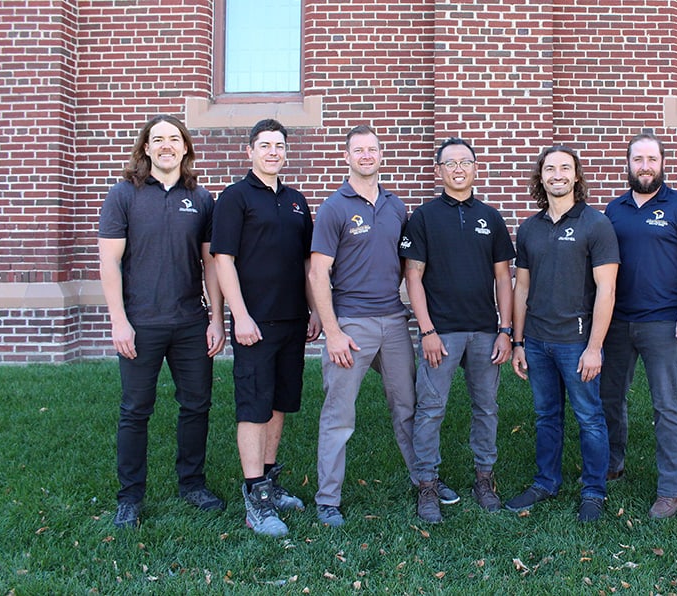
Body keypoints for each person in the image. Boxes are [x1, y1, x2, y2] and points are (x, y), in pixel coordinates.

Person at [309, 125, 460, 529]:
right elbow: (318, 273)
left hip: (394, 321)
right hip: (352, 324)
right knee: (339, 415)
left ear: (381, 155)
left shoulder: (396, 207)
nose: (365, 155)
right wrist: (333, 330)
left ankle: (424, 480)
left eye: (372, 149)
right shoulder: (333, 208)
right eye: (357, 150)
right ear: (347, 157)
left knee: (408, 406)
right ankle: (328, 500)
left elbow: (410, 267)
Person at [99, 114, 227, 529]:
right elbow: (109, 262)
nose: (167, 145)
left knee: (196, 405)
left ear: (186, 147)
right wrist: (119, 321)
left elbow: (211, 264)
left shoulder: (202, 198)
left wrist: (217, 319)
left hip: (191, 321)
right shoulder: (123, 195)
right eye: (158, 140)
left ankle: (191, 483)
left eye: (174, 138)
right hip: (141, 323)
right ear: (146, 148)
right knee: (135, 410)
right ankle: (130, 496)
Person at [399, 137, 516, 523]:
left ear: (475, 168)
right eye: (450, 163)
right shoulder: (423, 217)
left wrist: (506, 329)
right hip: (442, 333)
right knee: (431, 409)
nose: (458, 168)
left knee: (487, 408)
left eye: (465, 162)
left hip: (486, 331)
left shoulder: (491, 217)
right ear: (439, 171)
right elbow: (412, 277)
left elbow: (504, 278)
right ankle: (427, 485)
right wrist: (427, 330)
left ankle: (485, 479)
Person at [212, 119, 320, 537]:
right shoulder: (234, 198)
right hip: (253, 323)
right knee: (253, 406)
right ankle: (254, 494)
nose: (273, 152)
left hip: (292, 321)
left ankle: (270, 483)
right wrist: (238, 316)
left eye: (279, 145)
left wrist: (312, 310)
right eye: (265, 145)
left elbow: (308, 263)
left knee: (279, 403)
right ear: (250, 151)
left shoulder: (296, 201)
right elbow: (224, 260)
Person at [504, 145, 620, 523]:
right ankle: (546, 482)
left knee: (589, 416)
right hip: (537, 341)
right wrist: (518, 342)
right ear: (541, 177)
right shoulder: (529, 228)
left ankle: (593, 491)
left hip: (577, 342)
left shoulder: (595, 224)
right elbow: (521, 288)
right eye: (550, 168)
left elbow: (607, 289)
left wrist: (595, 347)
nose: (557, 175)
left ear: (576, 176)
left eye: (565, 168)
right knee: (546, 415)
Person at [600, 132, 677, 520]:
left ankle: (669, 489)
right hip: (616, 323)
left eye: (651, 159)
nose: (645, 166)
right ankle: (613, 463)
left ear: (662, 163)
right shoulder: (613, 210)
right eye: (638, 159)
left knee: (667, 405)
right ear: (627, 165)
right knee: (609, 399)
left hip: (663, 321)